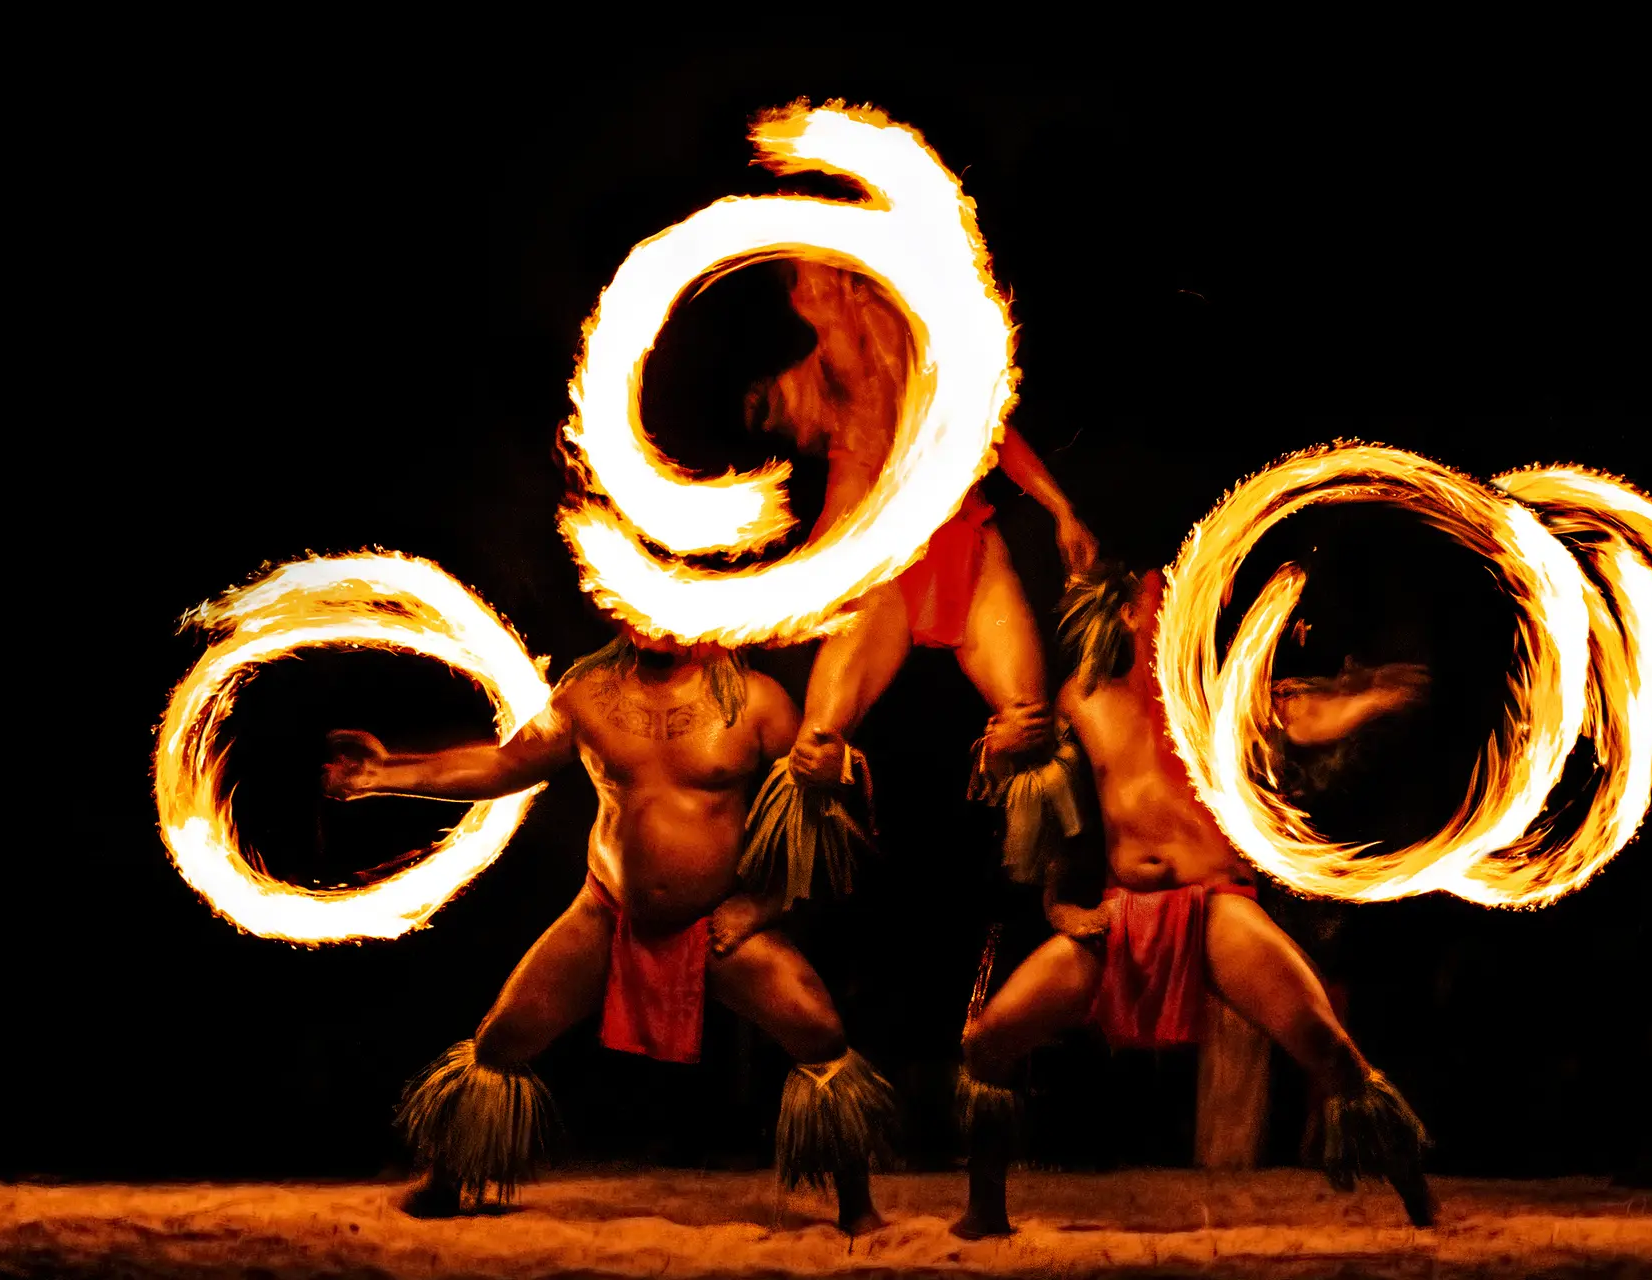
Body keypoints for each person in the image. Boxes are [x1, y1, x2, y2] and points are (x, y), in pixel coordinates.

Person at [324, 626, 895, 1233]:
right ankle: (444, 1184)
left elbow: (827, 818)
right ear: (623, 609)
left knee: (822, 1039)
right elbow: (504, 764)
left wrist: (765, 902)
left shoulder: (757, 702)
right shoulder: (588, 695)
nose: (660, 624)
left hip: (722, 921)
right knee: (501, 1039)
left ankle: (857, 1207)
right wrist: (384, 773)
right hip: (605, 912)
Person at [949, 568, 1440, 1238]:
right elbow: (1048, 817)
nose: (1181, 598)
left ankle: (1420, 1202)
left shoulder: (1222, 699)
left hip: (1216, 910)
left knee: (1331, 1051)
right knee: (989, 1043)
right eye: (1161, 590)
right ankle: (984, 1213)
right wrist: (1056, 900)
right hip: (1120, 915)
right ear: (1127, 613)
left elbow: (1311, 713)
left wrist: (1374, 696)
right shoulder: (1081, 701)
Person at [748, 262, 1102, 907]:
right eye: (809, 283)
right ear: (799, 302)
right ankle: (775, 903)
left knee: (1030, 726)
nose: (826, 291)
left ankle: (1051, 902)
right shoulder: (812, 384)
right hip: (883, 574)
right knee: (816, 748)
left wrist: (1061, 509)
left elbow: (994, 432)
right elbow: (839, 516)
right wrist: (801, 586)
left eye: (837, 278)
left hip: (968, 553)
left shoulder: (925, 344)